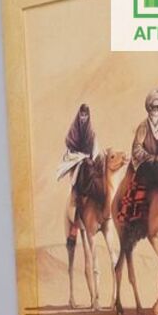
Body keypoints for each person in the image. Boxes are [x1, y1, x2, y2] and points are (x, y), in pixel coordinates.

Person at [57, 104, 100, 242]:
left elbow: (95, 150)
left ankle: (100, 217)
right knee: (77, 192)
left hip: (89, 164)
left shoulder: (91, 133)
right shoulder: (73, 131)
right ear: (79, 115)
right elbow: (70, 148)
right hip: (78, 164)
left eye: (85, 115)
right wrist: (79, 157)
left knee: (98, 184)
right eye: (82, 115)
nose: (83, 118)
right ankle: (75, 226)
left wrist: (90, 158)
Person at [131, 88, 158, 192]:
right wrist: (153, 158)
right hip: (145, 163)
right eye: (153, 107)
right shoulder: (144, 126)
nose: (156, 110)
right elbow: (136, 149)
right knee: (156, 169)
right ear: (149, 107)